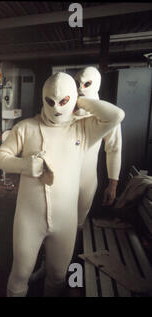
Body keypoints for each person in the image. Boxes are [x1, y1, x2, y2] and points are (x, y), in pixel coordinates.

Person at [0, 72, 124, 297]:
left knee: (58, 276)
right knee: (20, 275)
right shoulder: (26, 127)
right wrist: (26, 165)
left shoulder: (82, 129)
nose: (57, 108)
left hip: (66, 219)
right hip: (29, 219)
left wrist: (78, 98)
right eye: (51, 101)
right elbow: (0, 157)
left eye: (63, 101)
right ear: (43, 98)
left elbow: (116, 116)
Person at [74, 67, 122, 227]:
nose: (81, 89)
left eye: (86, 84)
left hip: (87, 179)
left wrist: (113, 184)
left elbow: (114, 148)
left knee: (78, 223)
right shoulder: (65, 109)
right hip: (60, 177)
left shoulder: (106, 114)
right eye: (77, 84)